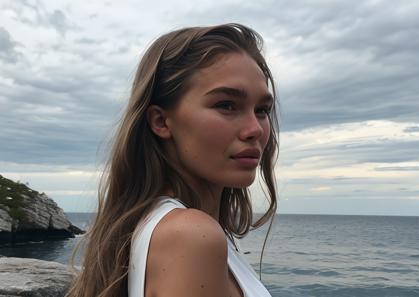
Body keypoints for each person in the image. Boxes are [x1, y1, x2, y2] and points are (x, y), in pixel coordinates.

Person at [66, 23, 279, 297]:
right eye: (226, 105)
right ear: (161, 121)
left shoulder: (157, 226)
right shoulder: (191, 235)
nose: (256, 129)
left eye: (262, 110)